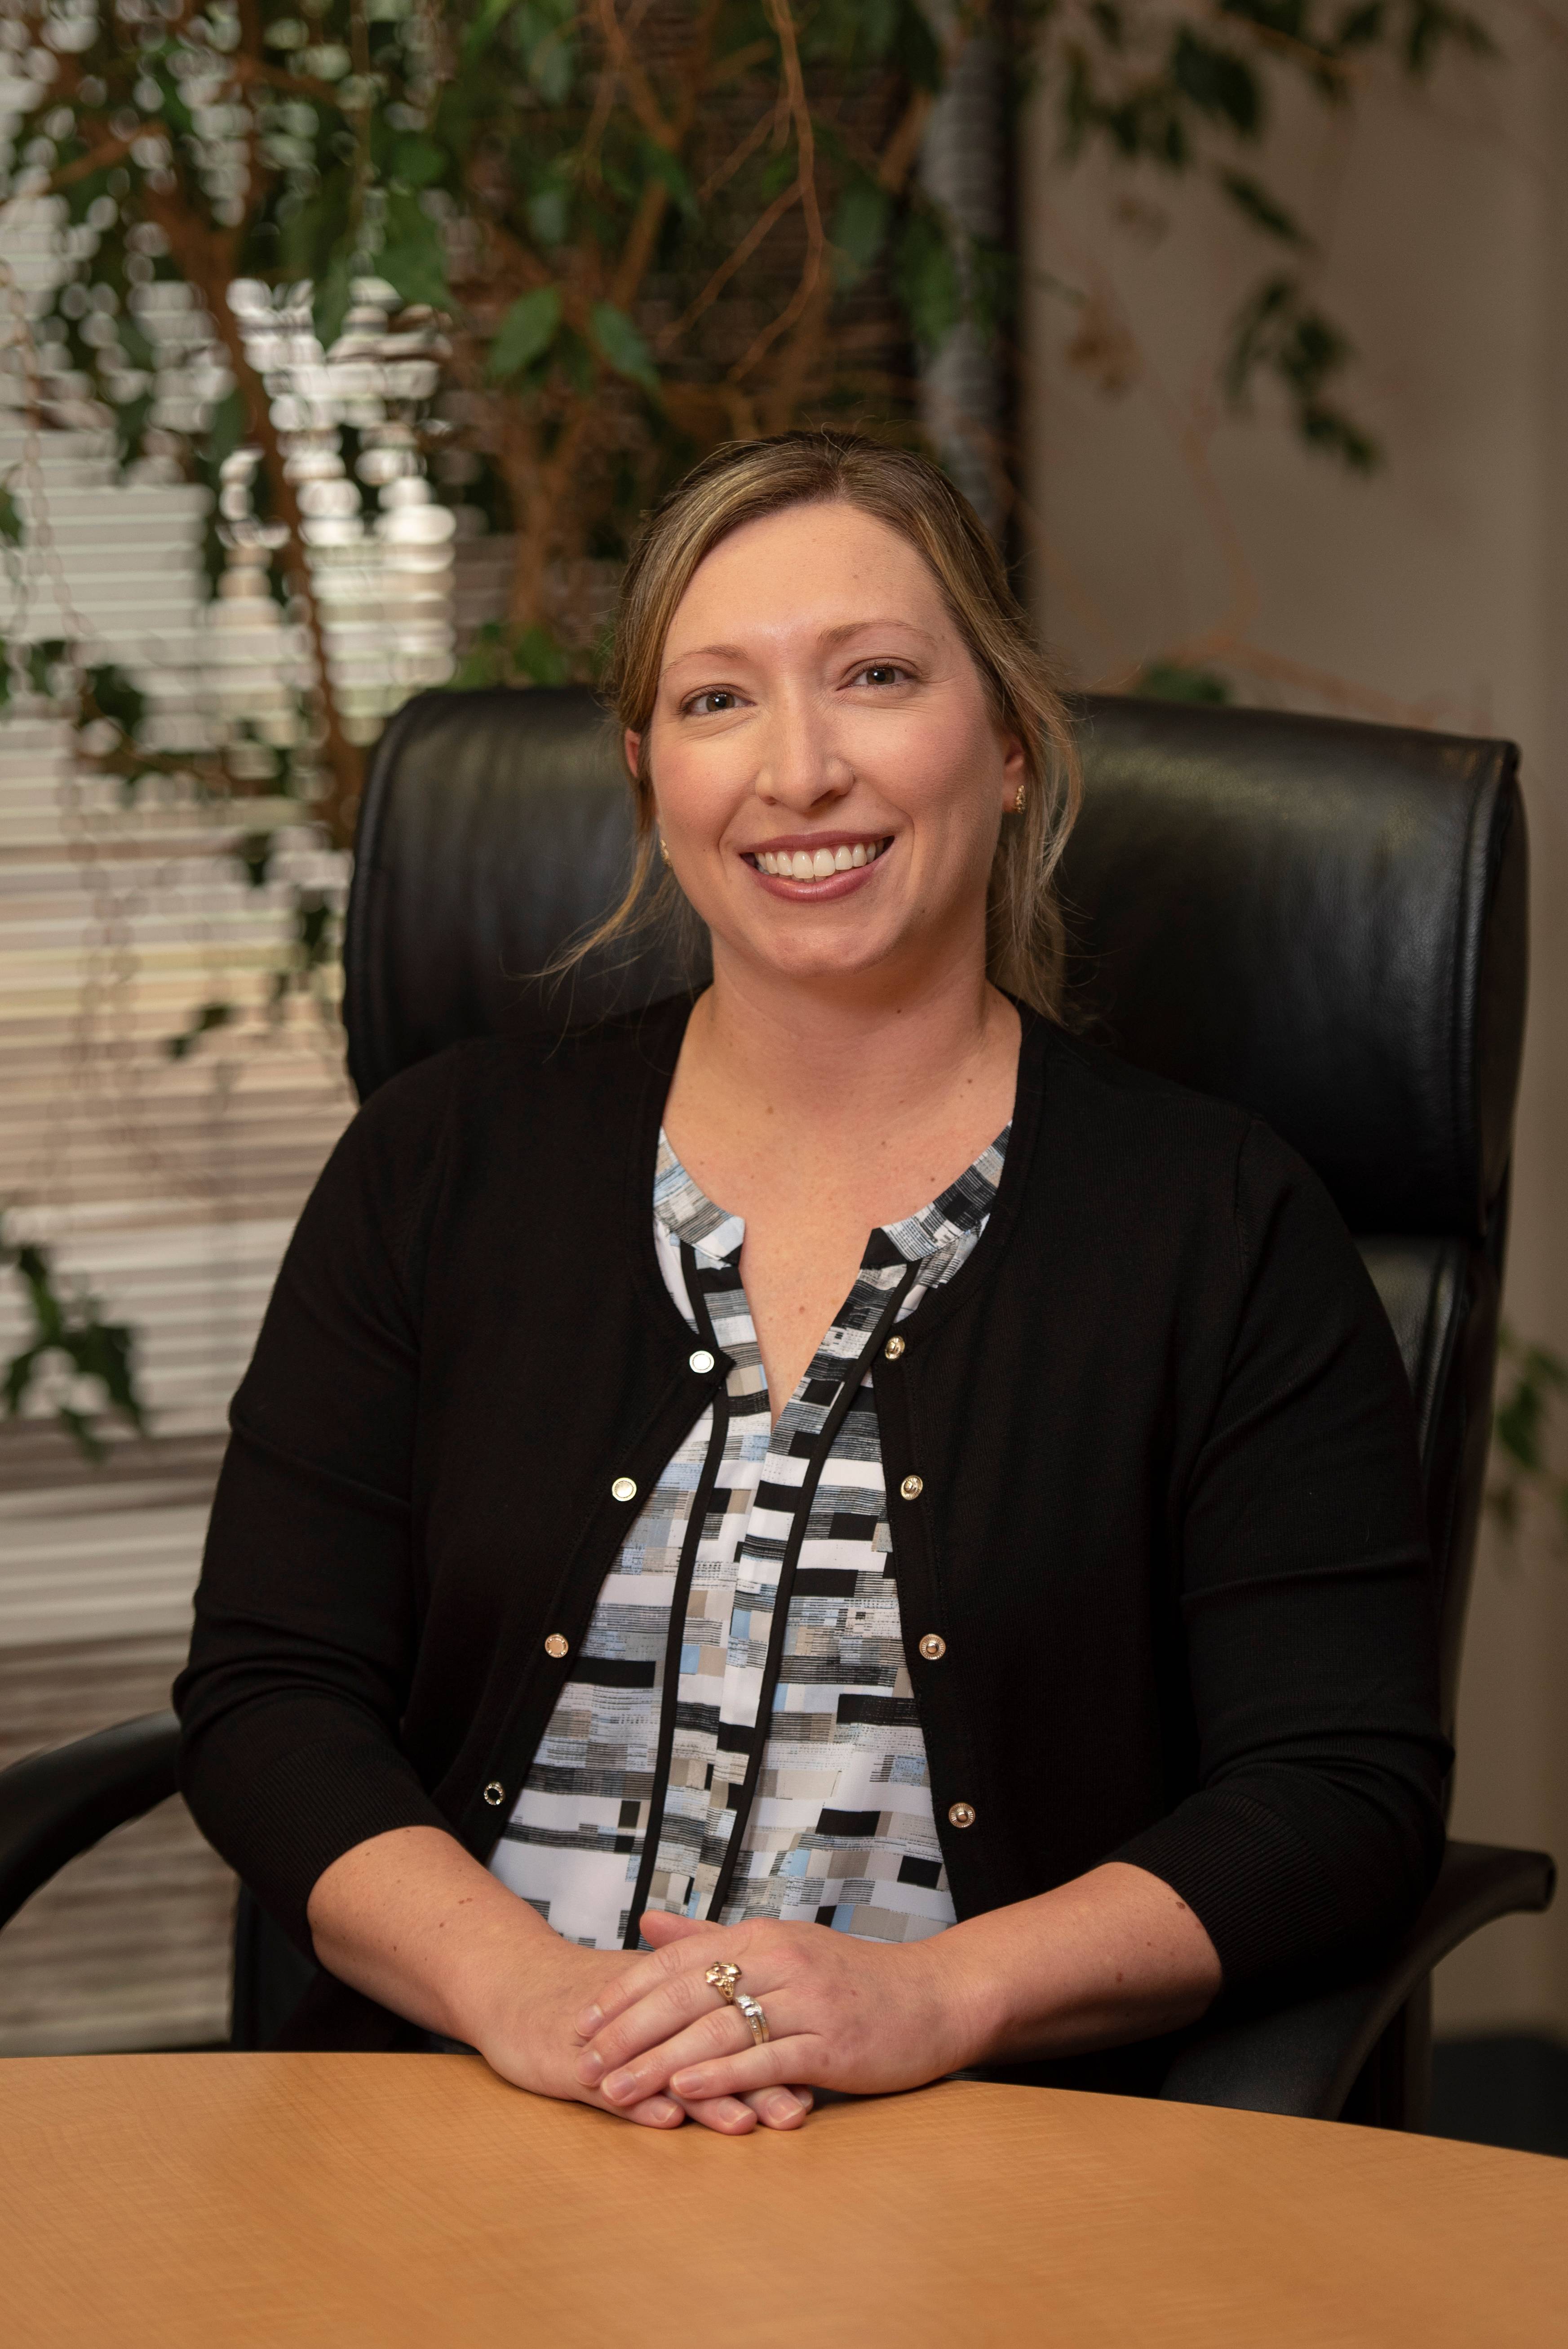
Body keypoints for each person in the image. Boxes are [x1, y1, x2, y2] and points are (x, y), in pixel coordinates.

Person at [175, 430, 1448, 2137]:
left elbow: (1338, 1788)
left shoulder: (1218, 1224)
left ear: (1004, 743)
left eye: (875, 677)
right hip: (463, 2131)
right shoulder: (439, 1164)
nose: (801, 768)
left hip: (976, 2175)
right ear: (646, 775)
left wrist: (931, 1994)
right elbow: (272, 1694)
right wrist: (530, 1996)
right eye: (718, 701)